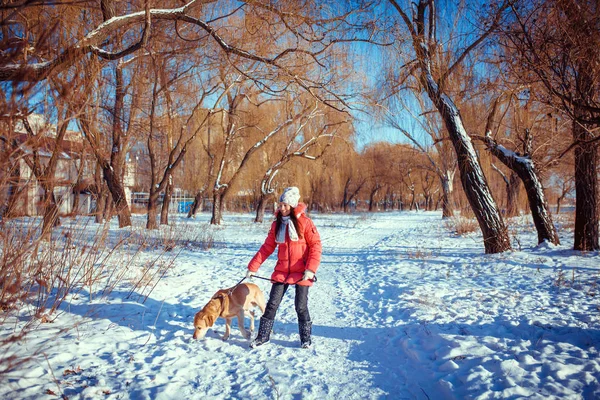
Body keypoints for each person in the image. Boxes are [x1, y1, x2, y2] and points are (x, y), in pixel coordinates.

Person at [246, 186, 322, 348]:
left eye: (285, 205)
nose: (281, 208)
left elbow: (316, 246)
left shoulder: (306, 223)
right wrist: (253, 266)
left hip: (302, 272)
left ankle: (305, 338)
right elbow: (267, 247)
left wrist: (310, 269)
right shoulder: (277, 225)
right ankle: (263, 336)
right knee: (272, 304)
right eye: (280, 205)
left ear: (293, 205)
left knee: (300, 306)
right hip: (282, 271)